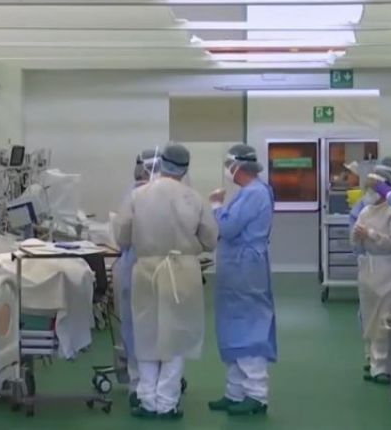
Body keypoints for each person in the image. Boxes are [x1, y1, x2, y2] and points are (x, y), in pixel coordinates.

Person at [114, 144, 218, 419]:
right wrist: (188, 246)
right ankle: (167, 402)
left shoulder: (138, 195)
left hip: (146, 270)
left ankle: (147, 400)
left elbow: (122, 236)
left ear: (161, 164)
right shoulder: (194, 198)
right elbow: (210, 239)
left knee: (146, 335)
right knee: (177, 337)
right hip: (183, 272)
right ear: (185, 169)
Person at [207, 144, 276, 416]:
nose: (227, 171)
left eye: (229, 166)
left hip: (245, 267)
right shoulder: (249, 192)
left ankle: (256, 395)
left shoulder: (255, 193)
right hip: (237, 267)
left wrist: (216, 206)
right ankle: (235, 392)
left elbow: (228, 228)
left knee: (249, 328)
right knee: (234, 329)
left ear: (238, 166)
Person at [353, 162, 391, 385]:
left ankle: (384, 366)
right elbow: (355, 240)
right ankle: (371, 360)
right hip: (369, 267)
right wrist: (358, 235)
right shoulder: (366, 211)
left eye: (374, 187)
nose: (370, 191)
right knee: (369, 317)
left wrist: (371, 234)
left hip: (390, 268)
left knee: (386, 317)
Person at [114, 147, 160, 407]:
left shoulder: (134, 195)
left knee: (135, 324)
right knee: (162, 324)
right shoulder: (177, 194)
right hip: (167, 269)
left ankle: (139, 383)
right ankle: (165, 384)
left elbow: (122, 233)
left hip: (136, 265)